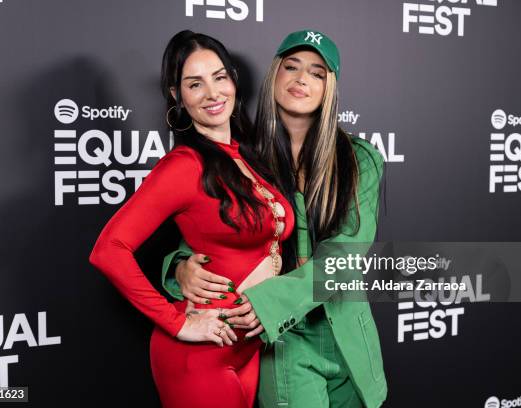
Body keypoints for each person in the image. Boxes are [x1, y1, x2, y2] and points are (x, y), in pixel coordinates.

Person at [163, 30, 387, 407]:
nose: (302, 79)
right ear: (274, 75)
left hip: (349, 337)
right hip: (282, 343)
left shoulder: (360, 158)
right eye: (292, 67)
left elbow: (346, 256)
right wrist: (180, 268)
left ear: (330, 87)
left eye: (317, 73)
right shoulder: (241, 160)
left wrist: (269, 300)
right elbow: (204, 238)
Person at [88, 30, 295, 408]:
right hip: (198, 359)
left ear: (233, 79)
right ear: (176, 96)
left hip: (247, 349)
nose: (213, 94)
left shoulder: (249, 156)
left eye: (219, 77)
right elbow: (109, 250)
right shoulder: (184, 166)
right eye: (194, 84)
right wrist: (178, 322)